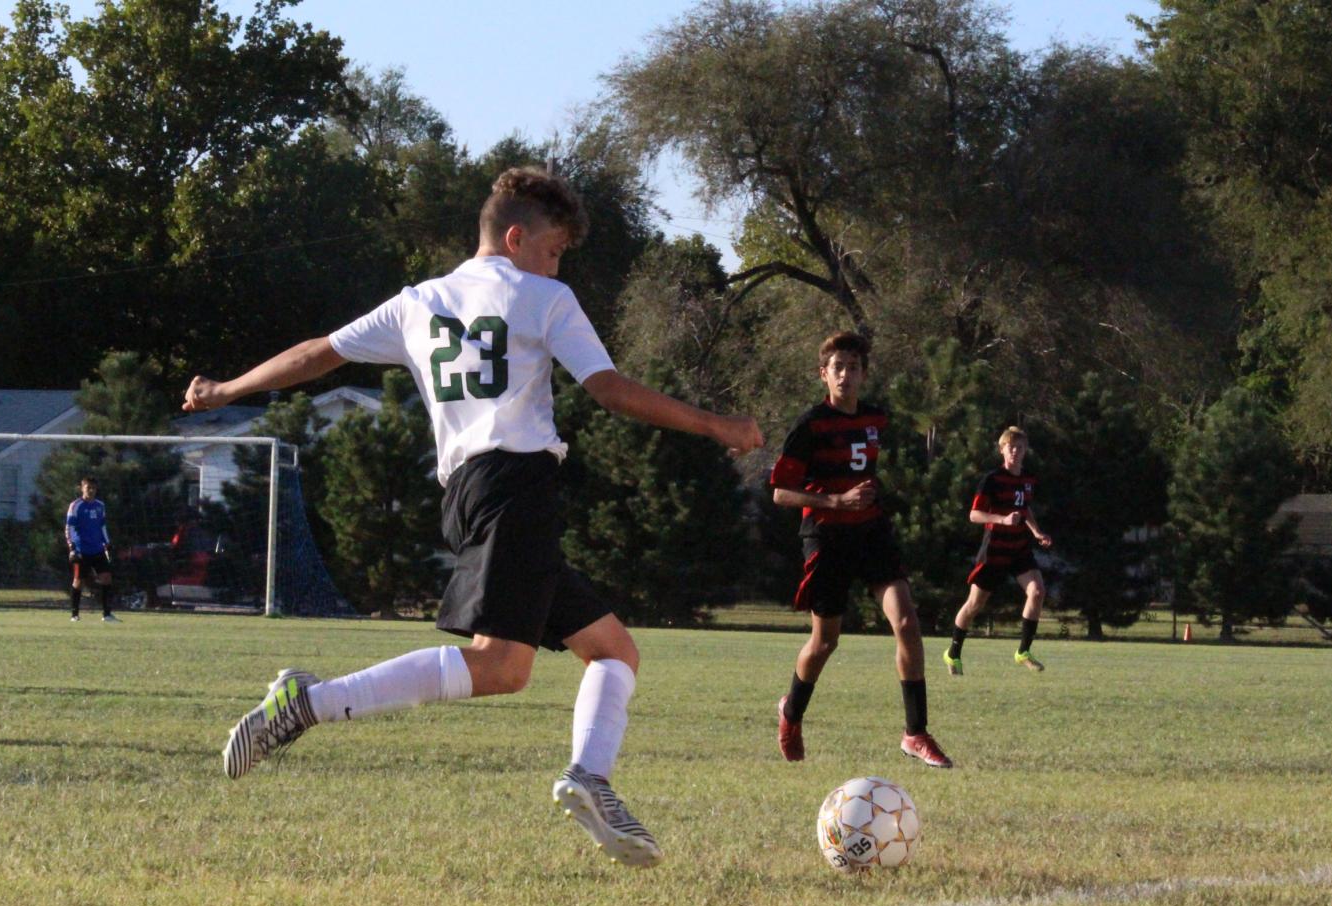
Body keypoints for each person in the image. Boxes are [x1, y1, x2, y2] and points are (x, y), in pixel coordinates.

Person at [182, 166, 762, 868]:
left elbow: (317, 355)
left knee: (614, 650)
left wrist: (225, 388)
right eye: (552, 250)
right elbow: (608, 389)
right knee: (501, 666)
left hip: (471, 492)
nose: (556, 264)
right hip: (516, 486)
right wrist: (714, 424)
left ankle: (591, 775)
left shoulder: (417, 302)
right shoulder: (546, 296)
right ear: (516, 237)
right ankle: (310, 703)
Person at [767, 333, 952, 769]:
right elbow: (780, 493)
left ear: (864, 374)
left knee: (907, 622)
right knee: (825, 642)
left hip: (871, 533)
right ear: (824, 375)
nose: (846, 375)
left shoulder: (876, 419)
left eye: (854, 367)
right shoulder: (810, 426)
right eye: (839, 368)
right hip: (827, 536)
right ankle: (790, 714)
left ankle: (915, 733)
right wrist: (836, 501)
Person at [943, 426, 1054, 675]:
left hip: (1019, 549)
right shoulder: (992, 480)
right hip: (995, 550)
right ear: (1002, 449)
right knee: (974, 604)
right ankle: (953, 653)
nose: (1015, 452)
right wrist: (1003, 520)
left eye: (1020, 448)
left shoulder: (1028, 479)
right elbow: (974, 515)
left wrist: (1037, 532)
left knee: (1037, 591)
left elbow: (1025, 509)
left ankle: (1023, 652)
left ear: (1026, 451)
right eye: (1010, 447)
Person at [65, 477, 117, 622]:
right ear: (82, 489)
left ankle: (107, 614)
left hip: (97, 549)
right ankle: (74, 615)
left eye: (93, 488)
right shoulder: (76, 506)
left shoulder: (100, 505)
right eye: (88, 488)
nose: (91, 491)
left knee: (106, 578)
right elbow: (70, 527)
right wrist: (73, 547)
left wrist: (107, 543)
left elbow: (102, 526)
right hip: (82, 550)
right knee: (78, 581)